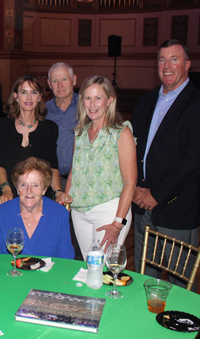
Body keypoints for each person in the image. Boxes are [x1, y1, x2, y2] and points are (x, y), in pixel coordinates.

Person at [131, 40, 200, 290]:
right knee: (144, 282)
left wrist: (156, 194)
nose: (166, 66)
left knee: (181, 285)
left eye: (174, 59)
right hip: (141, 206)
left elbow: (192, 162)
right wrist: (136, 187)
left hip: (175, 210)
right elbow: (133, 151)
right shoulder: (145, 102)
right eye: (161, 60)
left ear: (188, 65)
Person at [61, 75, 137, 260]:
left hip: (109, 211)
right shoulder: (80, 132)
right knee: (90, 268)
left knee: (103, 270)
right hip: (79, 212)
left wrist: (117, 224)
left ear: (109, 100)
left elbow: (130, 183)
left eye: (98, 98)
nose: (92, 104)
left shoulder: (121, 132)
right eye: (87, 98)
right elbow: (74, 171)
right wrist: (66, 204)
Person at [0, 75, 65, 205]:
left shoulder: (50, 128)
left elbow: (52, 166)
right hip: (8, 196)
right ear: (16, 96)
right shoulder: (4, 125)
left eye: (33, 92)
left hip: (38, 199)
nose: (28, 97)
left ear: (39, 97)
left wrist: (58, 192)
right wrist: (6, 189)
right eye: (23, 92)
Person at [0, 157, 74, 258]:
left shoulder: (59, 214)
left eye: (35, 185)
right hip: (10, 273)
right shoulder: (0, 214)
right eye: (23, 185)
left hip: (48, 273)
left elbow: (66, 259)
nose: (29, 191)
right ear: (17, 188)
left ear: (44, 189)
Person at [46, 62, 82, 260]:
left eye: (64, 79)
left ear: (74, 80)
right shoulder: (42, 111)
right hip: (51, 185)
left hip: (79, 184)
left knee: (77, 239)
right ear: (49, 84)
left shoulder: (88, 106)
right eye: (55, 81)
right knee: (54, 238)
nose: (60, 85)